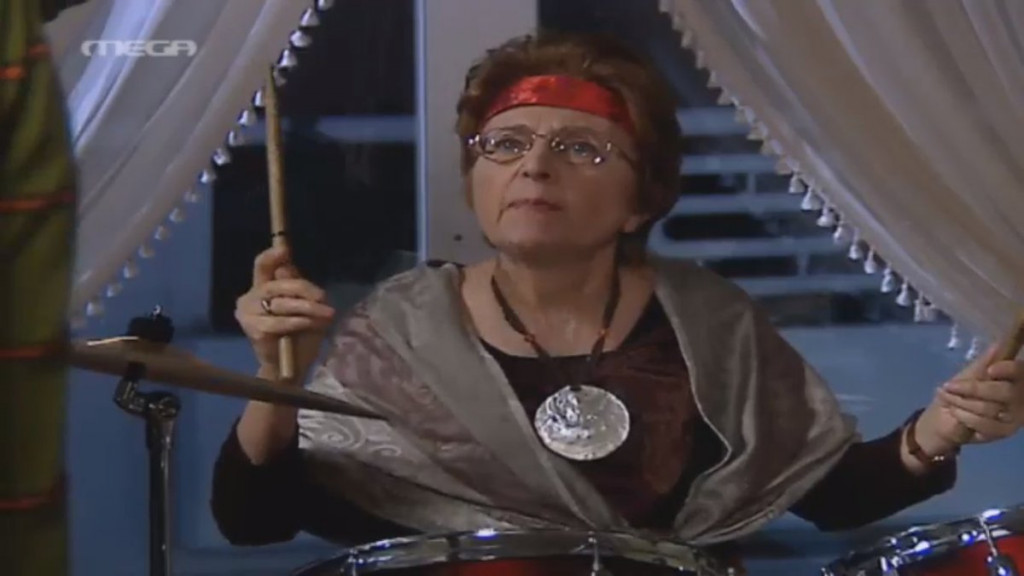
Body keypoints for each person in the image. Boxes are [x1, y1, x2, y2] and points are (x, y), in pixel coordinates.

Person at [210, 31, 1024, 573]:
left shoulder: (710, 321)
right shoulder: (401, 327)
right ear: (475, 178)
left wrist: (940, 430)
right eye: (506, 144)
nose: (534, 167)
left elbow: (833, 495)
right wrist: (276, 381)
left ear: (642, 199)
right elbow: (255, 521)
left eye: (580, 148)